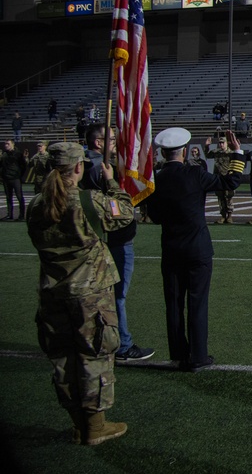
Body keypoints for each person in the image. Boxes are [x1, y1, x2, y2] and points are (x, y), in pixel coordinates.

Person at [26, 142, 135, 445]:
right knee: (94, 356)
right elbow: (125, 213)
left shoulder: (36, 205)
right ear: (78, 167)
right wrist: (111, 181)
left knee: (63, 359)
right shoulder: (87, 201)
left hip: (51, 293)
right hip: (90, 295)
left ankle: (77, 423)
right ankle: (95, 425)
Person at [144, 128, 246, 373]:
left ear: (163, 153)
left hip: (170, 250)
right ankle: (198, 355)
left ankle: (178, 354)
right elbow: (230, 181)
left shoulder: (155, 180)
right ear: (185, 151)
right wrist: (238, 153)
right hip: (197, 250)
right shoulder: (195, 173)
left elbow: (155, 216)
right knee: (197, 303)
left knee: (174, 304)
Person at [80, 124, 154, 363]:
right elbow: (117, 210)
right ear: (98, 143)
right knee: (116, 295)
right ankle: (122, 344)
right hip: (114, 239)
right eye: (111, 139)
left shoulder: (91, 166)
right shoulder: (98, 170)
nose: (117, 142)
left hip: (104, 239)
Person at [204, 136, 236, 224]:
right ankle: (223, 215)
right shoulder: (216, 152)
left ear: (226, 143)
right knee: (220, 197)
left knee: (228, 196)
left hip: (227, 177)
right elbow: (208, 155)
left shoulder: (230, 153)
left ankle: (229, 215)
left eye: (223, 143)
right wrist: (207, 147)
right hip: (218, 177)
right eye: (220, 143)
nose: (221, 144)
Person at [1, 139, 27, 220]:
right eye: (5, 144)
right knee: (8, 197)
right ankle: (9, 215)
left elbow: (23, 166)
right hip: (6, 178)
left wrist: (19, 175)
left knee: (19, 197)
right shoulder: (4, 154)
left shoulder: (18, 154)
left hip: (15, 178)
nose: (6, 145)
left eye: (8, 144)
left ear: (13, 144)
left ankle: (22, 215)